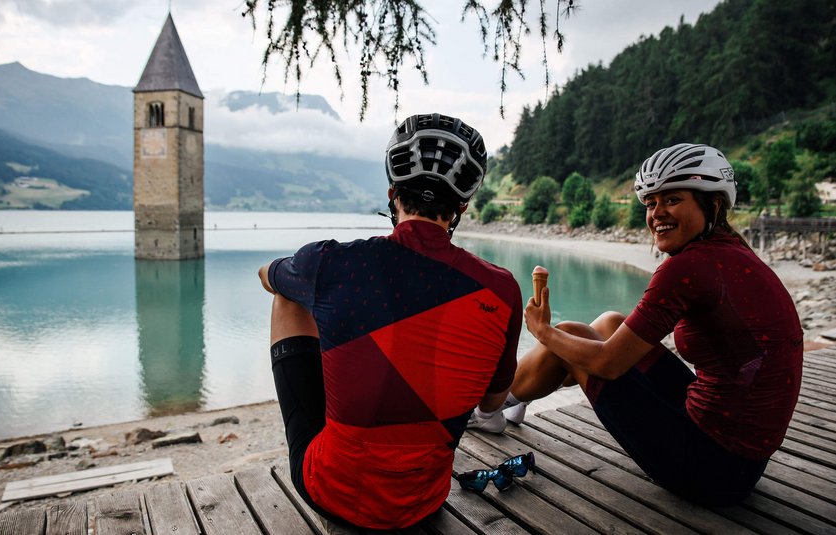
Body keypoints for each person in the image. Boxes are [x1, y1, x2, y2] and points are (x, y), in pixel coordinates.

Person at [471, 143, 803, 506]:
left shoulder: (688, 267)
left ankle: (488, 410)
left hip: (712, 468)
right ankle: (518, 397)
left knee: (569, 336)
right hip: (743, 458)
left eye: (672, 200)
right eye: (650, 203)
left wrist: (541, 331)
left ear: (714, 204)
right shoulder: (732, 251)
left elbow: (607, 364)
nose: (657, 213)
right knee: (612, 322)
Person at [257, 113, 522, 529]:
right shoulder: (503, 290)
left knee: (287, 299)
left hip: (332, 491)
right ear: (462, 206)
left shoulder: (331, 261)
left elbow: (266, 275)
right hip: (424, 500)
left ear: (392, 194)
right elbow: (491, 404)